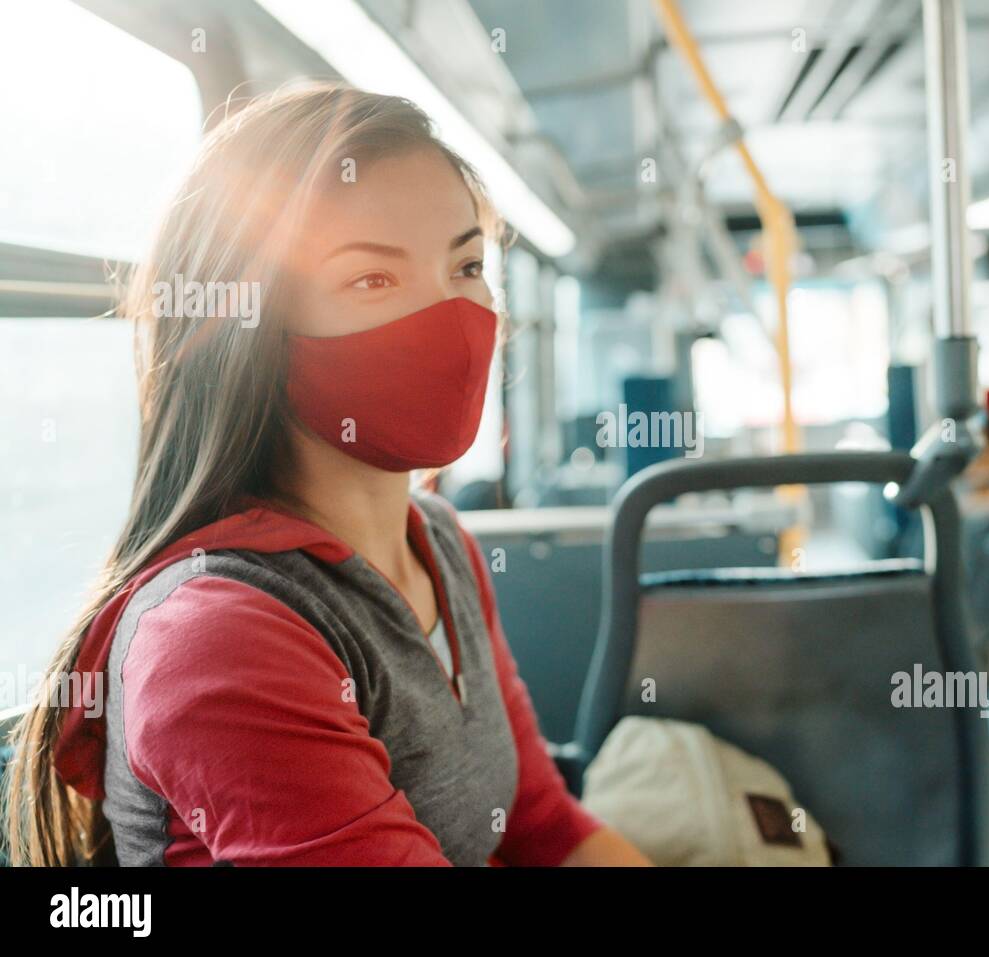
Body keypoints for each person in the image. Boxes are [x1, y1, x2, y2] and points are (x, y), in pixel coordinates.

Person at [3, 84, 649, 867]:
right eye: (373, 279)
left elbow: (542, 823)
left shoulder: (442, 542)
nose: (450, 313)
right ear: (255, 329)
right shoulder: (220, 633)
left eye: (468, 264)